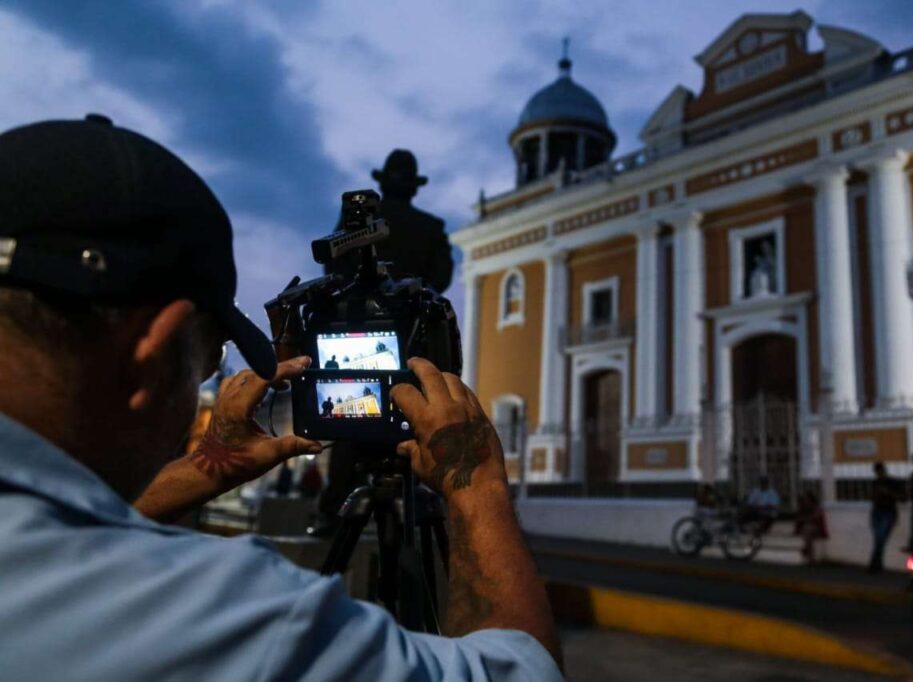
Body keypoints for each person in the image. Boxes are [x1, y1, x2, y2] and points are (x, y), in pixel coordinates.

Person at [0, 115, 561, 681]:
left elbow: (64, 527)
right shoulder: (240, 618)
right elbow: (522, 672)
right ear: (151, 353)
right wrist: (476, 485)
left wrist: (208, 465)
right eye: (209, 360)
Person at [317, 148, 455, 535]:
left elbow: (332, 266)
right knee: (412, 421)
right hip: (412, 344)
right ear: (414, 188)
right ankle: (415, 514)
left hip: (359, 337)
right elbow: (441, 279)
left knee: (352, 424)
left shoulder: (356, 224)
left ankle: (332, 514)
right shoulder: (430, 227)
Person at [868, 461, 903, 573]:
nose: (879, 474)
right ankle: (877, 565)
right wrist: (876, 494)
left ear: (884, 471)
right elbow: (871, 498)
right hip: (877, 512)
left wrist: (888, 492)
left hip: (888, 512)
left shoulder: (892, 482)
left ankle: (874, 565)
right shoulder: (876, 482)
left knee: (880, 539)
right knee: (879, 539)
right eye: (877, 472)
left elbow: (903, 498)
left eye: (880, 471)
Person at [794, 490, 828, 562]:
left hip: (817, 529)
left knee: (808, 530)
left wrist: (805, 519)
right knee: (807, 532)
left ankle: (807, 552)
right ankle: (809, 554)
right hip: (806, 529)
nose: (806, 501)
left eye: (807, 499)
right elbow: (799, 518)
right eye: (805, 499)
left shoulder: (817, 507)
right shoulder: (803, 508)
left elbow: (815, 517)